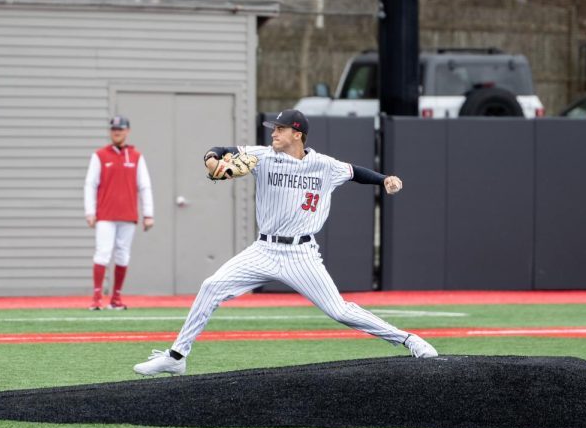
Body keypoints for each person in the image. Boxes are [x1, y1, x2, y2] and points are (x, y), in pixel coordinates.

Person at [134, 108, 437, 376]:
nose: (274, 133)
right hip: (264, 249)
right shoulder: (263, 156)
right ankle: (176, 356)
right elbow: (220, 149)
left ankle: (408, 339)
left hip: (301, 253)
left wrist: (384, 179)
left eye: (279, 129)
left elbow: (355, 172)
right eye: (273, 129)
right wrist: (212, 159)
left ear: (298, 134)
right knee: (211, 286)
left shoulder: (324, 165)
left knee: (340, 311)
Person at [83, 115, 154, 310]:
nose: (117, 132)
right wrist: (90, 212)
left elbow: (145, 186)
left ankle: (116, 298)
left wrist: (148, 214)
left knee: (123, 255)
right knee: (103, 253)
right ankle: (97, 299)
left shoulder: (136, 156)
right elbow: (90, 185)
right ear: (110, 131)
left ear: (127, 131)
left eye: (121, 129)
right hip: (105, 215)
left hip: (128, 215)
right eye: (114, 129)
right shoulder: (100, 155)